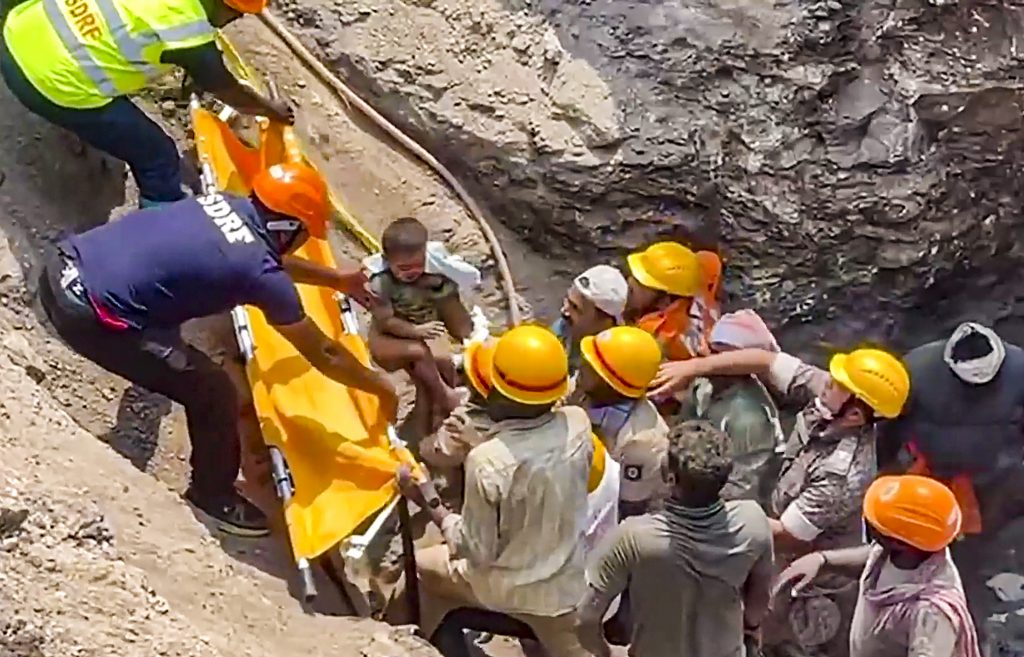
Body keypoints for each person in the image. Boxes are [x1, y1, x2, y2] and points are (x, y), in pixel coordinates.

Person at [37, 162, 399, 537]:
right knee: (214, 391)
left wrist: (336, 280)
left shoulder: (224, 204)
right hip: (89, 316)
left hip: (63, 267)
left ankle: (157, 362)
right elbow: (325, 353)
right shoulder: (260, 273)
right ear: (288, 228)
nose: (303, 242)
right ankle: (213, 495)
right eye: (304, 234)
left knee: (172, 304)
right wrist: (379, 387)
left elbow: (260, 254)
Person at [651, 345, 910, 656]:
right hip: (777, 534)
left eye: (838, 384)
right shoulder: (832, 397)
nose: (827, 381)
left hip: (805, 582)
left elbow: (788, 535)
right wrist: (693, 368)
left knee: (776, 640)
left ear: (855, 414)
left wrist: (702, 507)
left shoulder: (841, 476)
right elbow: (766, 361)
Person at [395, 324, 592, 657]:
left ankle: (414, 645)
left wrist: (429, 499)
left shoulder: (485, 462)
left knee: (420, 566)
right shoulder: (578, 422)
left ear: (496, 392)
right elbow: (529, 468)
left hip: (508, 588)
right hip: (565, 583)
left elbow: (472, 550)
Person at [1, 0, 293, 208]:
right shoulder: (187, 34)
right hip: (46, 85)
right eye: (237, 14)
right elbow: (228, 90)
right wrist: (272, 110)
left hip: (17, 30)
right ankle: (160, 228)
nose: (235, 21)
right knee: (158, 157)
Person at [576, 420, 774, 657]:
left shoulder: (633, 538)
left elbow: (585, 619)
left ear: (670, 479)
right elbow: (759, 602)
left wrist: (606, 652)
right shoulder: (753, 522)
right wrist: (750, 629)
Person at [773, 475, 979, 657]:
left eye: (875, 523)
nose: (866, 521)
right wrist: (823, 561)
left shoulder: (931, 615)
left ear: (898, 542)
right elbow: (874, 558)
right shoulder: (915, 550)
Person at [880, 322, 1024, 535]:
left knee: (989, 528)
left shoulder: (1019, 370)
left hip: (991, 472)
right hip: (926, 467)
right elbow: (891, 421)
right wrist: (885, 462)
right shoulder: (915, 369)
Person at [368, 217, 472, 437]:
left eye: (419, 264)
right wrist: (416, 331)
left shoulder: (435, 272)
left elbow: (453, 308)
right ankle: (442, 401)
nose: (413, 272)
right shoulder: (381, 284)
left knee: (442, 366)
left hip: (425, 329)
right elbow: (386, 321)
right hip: (392, 336)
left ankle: (438, 419)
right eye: (404, 268)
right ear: (387, 261)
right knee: (421, 358)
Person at [675, 309, 784, 505]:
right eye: (710, 348)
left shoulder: (749, 419)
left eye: (717, 355)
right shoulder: (702, 385)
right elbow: (679, 433)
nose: (704, 355)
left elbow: (743, 489)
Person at [576, 325, 668, 517]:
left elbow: (627, 509)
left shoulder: (643, 442)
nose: (580, 367)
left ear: (612, 383)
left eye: (591, 367)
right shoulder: (585, 391)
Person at [624, 241, 722, 361]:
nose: (629, 282)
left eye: (639, 285)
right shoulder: (698, 286)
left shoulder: (662, 335)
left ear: (664, 301)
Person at [550, 264, 628, 374]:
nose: (564, 310)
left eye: (575, 307)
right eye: (567, 300)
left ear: (605, 322)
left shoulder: (618, 364)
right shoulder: (562, 330)